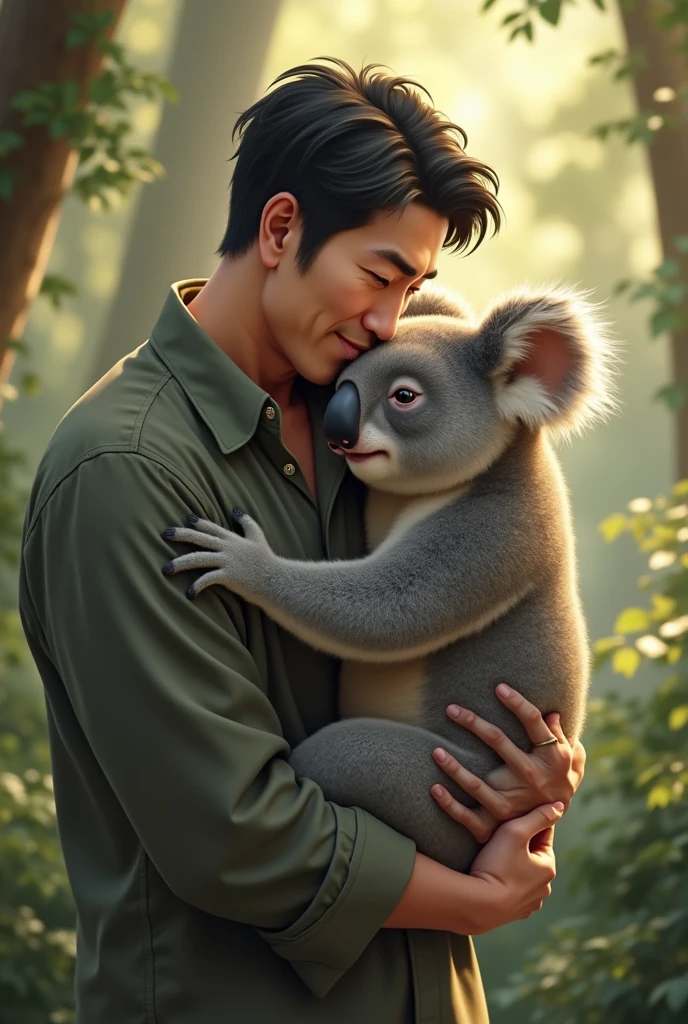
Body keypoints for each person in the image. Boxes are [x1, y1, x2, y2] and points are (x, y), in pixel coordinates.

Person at [19, 58, 585, 1024]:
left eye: (412, 289)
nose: (388, 319)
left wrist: (539, 780)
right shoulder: (125, 470)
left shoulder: (372, 409)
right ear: (280, 229)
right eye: (379, 276)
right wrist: (486, 894)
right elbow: (234, 834)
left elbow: (487, 610)